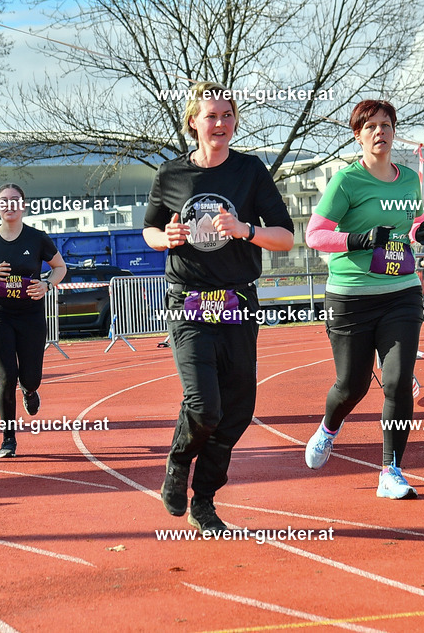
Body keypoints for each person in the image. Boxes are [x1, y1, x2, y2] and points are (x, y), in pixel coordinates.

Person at [143, 81, 294, 533]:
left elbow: (285, 237)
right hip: (188, 301)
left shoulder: (250, 171)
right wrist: (163, 239)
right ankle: (178, 464)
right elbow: (149, 231)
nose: (221, 124)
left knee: (238, 409)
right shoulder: (170, 176)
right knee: (204, 405)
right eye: (211, 116)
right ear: (194, 122)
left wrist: (245, 229)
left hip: (237, 300)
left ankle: (203, 499)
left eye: (228, 116)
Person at [303, 99, 424, 499]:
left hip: (400, 292)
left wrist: (423, 234)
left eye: (386, 125)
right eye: (371, 127)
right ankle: (329, 428)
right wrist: (359, 240)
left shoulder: (408, 180)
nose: (380, 132)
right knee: (352, 385)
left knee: (397, 383)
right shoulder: (346, 182)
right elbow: (315, 235)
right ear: (358, 136)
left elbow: (412, 223)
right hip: (351, 296)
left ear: (394, 131)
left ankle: (391, 470)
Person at [0, 184, 67, 458]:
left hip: (31, 314)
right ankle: (8, 440)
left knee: (30, 377)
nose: (9, 205)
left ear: (23, 206)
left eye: (14, 200)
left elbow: (60, 268)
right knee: (6, 377)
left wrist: (46, 284)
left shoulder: (37, 238)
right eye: (3, 201)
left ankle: (30, 391)